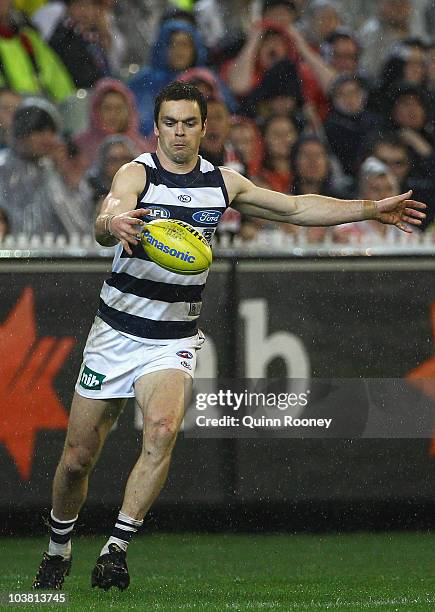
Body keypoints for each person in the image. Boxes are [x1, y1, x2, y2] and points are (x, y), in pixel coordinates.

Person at [32, 81, 426, 592]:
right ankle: (58, 544)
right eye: (170, 123)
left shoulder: (222, 183)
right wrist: (114, 223)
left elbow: (296, 208)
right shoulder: (137, 173)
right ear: (156, 129)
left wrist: (370, 210)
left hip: (171, 337)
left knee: (161, 430)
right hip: (115, 332)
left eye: (188, 123)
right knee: (77, 458)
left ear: (203, 127)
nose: (179, 132)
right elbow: (104, 220)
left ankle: (115, 549)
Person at [0, 97, 91, 237]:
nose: (47, 137)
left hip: (56, 253)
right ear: (20, 132)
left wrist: (63, 175)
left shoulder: (57, 167)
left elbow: (80, 225)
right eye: (39, 130)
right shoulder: (3, 166)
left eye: (51, 131)